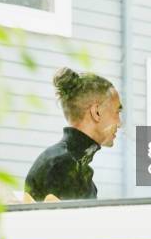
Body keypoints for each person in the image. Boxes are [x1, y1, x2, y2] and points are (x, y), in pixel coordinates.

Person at [24, 67, 122, 201]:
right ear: (96, 112)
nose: (119, 123)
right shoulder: (63, 167)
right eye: (117, 111)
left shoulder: (68, 162)